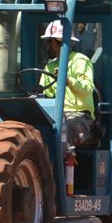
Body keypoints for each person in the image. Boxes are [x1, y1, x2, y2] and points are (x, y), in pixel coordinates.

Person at [40, 19, 96, 147]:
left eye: (48, 41)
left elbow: (87, 88)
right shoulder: (49, 67)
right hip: (56, 114)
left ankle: (57, 165)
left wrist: (68, 81)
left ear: (56, 42)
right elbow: (46, 93)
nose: (46, 45)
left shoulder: (80, 61)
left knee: (63, 132)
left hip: (80, 116)